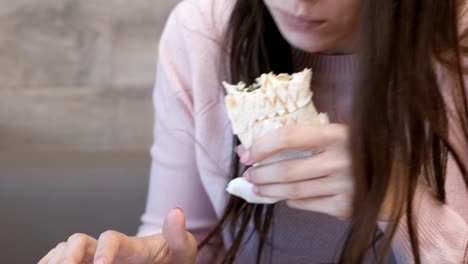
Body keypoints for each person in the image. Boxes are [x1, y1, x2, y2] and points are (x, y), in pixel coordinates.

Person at [39, 0, 468, 263]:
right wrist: (155, 256)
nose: (300, 2)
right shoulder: (203, 33)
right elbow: (185, 237)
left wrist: (400, 200)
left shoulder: (457, 38)